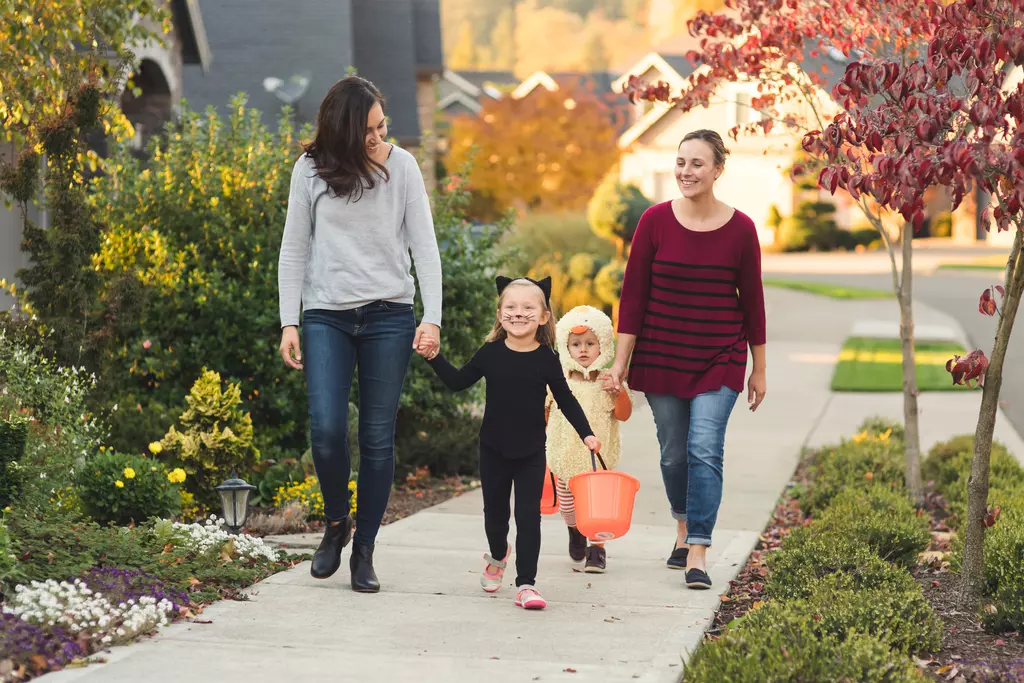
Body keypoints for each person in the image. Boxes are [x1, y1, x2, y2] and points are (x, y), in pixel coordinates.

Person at [277, 76, 443, 593]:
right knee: (326, 430)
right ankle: (335, 524)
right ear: (344, 130)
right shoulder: (310, 170)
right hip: (326, 313)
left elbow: (425, 247)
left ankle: (365, 549)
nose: (378, 138)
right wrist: (289, 319)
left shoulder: (404, 168)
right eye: (368, 130)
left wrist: (431, 315)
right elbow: (294, 249)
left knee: (376, 437)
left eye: (382, 126)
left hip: (388, 315)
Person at [603, 129, 767, 591]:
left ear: (717, 170)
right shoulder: (654, 222)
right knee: (674, 453)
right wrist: (620, 363)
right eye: (680, 162)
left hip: (721, 356)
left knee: (704, 448)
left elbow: (752, 303)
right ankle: (681, 524)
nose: (685, 172)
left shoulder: (741, 229)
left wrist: (760, 367)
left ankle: (697, 548)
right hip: (661, 355)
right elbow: (632, 299)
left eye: (697, 164)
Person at [420, 276, 601, 610]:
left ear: (544, 316)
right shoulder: (490, 352)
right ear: (500, 312)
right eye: (511, 307)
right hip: (493, 449)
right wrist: (434, 358)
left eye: (528, 308)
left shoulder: (548, 358)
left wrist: (586, 433)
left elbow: (565, 399)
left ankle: (526, 584)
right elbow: (458, 382)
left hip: (531, 451)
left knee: (528, 516)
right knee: (496, 517)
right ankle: (498, 555)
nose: (519, 313)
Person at [545, 305, 632, 573]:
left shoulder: (607, 382)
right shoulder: (557, 382)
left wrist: (619, 393)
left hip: (597, 459)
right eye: (576, 344)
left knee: (599, 508)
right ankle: (575, 530)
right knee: (569, 504)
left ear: (602, 345)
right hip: (565, 456)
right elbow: (546, 414)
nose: (583, 350)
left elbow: (623, 414)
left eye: (590, 343)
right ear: (566, 347)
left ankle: (597, 549)